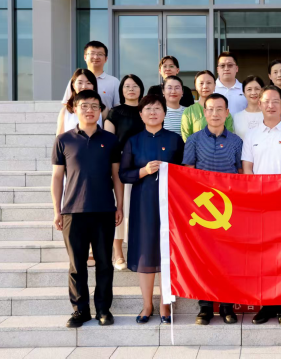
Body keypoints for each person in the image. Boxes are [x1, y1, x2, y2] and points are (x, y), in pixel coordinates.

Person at [51, 90, 123, 328]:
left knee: (104, 263)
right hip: (73, 211)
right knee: (76, 265)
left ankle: (103, 309)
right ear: (75, 109)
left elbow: (116, 176)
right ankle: (80, 311)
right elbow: (57, 178)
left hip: (104, 209)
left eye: (94, 106)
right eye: (84, 105)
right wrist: (57, 210)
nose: (89, 110)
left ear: (101, 110)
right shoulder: (64, 140)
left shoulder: (111, 140)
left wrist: (120, 205)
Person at [242, 85, 281, 325]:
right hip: (259, 203)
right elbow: (247, 168)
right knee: (263, 255)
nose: (270, 105)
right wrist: (259, 193)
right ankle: (266, 304)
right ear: (259, 104)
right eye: (266, 101)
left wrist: (277, 190)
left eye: (275, 101)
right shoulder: (251, 135)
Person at [120, 94, 185, 325]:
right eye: (148, 109)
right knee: (145, 253)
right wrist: (144, 171)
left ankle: (165, 303)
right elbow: (123, 174)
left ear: (165, 113)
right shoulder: (133, 141)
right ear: (141, 114)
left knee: (168, 252)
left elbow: (185, 171)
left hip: (171, 204)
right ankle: (147, 304)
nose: (153, 112)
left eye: (157, 108)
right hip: (143, 204)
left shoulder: (175, 140)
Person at [183, 93, 243, 326]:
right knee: (203, 258)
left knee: (228, 258)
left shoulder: (236, 142)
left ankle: (227, 305)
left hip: (229, 208)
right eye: (210, 109)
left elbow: (240, 174)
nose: (215, 113)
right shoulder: (194, 140)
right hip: (203, 210)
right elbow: (188, 172)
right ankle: (205, 307)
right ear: (204, 112)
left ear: (227, 113)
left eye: (220, 109)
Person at [104, 74, 145, 271]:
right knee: (120, 207)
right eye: (127, 86)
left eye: (135, 85)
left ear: (141, 89)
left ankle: (140, 249)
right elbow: (108, 141)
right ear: (121, 90)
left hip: (144, 166)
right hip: (120, 165)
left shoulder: (147, 110)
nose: (131, 89)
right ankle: (118, 252)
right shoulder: (115, 112)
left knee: (139, 209)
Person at [62, 41, 120, 110]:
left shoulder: (114, 82)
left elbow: (118, 107)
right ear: (85, 57)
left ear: (106, 59)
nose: (96, 57)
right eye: (92, 53)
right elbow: (67, 104)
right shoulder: (76, 80)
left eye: (100, 54)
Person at [181, 70, 235, 142]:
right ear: (195, 86)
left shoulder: (224, 112)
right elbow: (187, 138)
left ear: (215, 85)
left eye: (209, 83)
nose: (205, 86)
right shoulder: (189, 112)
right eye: (201, 83)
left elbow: (229, 136)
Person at [56, 69, 105, 136]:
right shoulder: (65, 111)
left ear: (94, 86)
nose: (84, 87)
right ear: (73, 85)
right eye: (80, 83)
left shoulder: (103, 110)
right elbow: (59, 137)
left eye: (88, 83)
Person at [233, 75, 264, 140]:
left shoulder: (269, 115)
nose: (253, 93)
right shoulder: (237, 117)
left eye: (257, 89)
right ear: (244, 93)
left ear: (262, 91)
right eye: (249, 89)